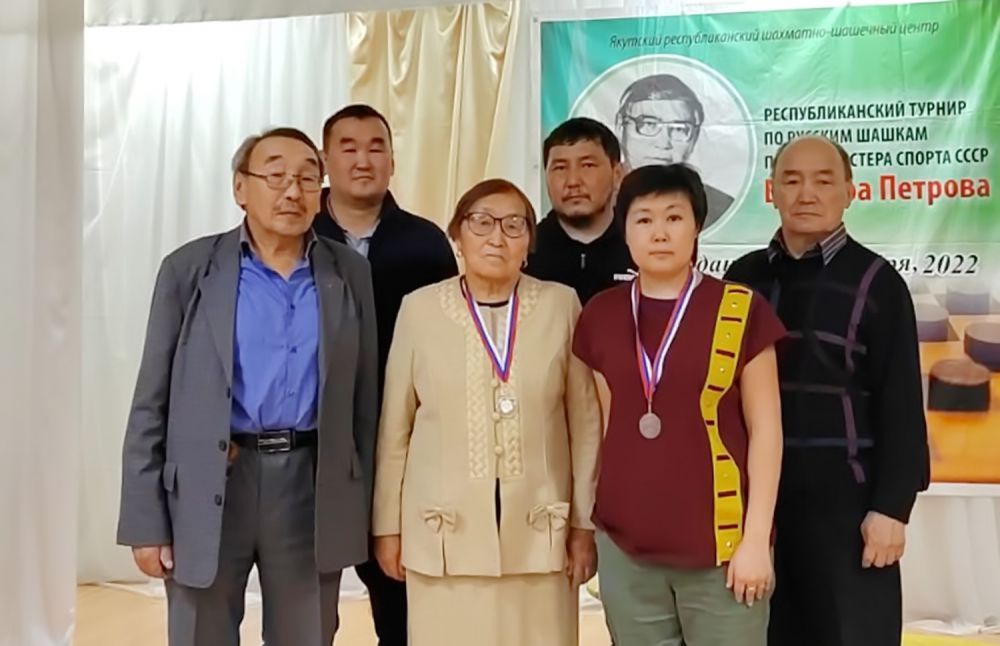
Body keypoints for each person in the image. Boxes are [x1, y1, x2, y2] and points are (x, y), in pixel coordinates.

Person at [116, 127, 378, 646]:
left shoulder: (348, 272)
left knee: (307, 633)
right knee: (201, 633)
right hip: (212, 479)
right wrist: (145, 521)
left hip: (310, 483)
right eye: (276, 176)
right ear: (240, 187)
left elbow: (365, 402)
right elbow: (151, 401)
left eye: (307, 178)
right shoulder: (189, 270)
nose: (292, 191)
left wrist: (366, 505)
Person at [372, 178, 603, 645]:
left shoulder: (561, 305)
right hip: (444, 535)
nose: (497, 236)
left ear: (528, 243)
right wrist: (387, 528)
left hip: (540, 534)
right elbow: (395, 428)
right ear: (457, 236)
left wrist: (583, 524)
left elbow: (585, 426)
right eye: (481, 222)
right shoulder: (419, 309)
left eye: (514, 225)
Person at [724, 135, 930, 646]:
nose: (806, 194)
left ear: (850, 192)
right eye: (791, 181)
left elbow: (902, 404)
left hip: (848, 508)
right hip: (758, 507)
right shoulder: (743, 279)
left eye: (823, 180)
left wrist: (892, 508)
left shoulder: (878, 282)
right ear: (771, 191)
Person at [573, 164, 785, 645]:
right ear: (624, 230)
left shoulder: (740, 308)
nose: (660, 233)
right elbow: (602, 429)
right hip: (626, 549)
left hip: (723, 549)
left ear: (697, 226)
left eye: (674, 217)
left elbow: (767, 431)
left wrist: (756, 539)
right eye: (644, 219)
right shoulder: (601, 314)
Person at [313, 104, 458, 645]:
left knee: (398, 592)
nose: (363, 160)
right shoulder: (298, 235)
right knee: (306, 602)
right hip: (314, 440)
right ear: (325, 160)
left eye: (376, 147)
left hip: (402, 441)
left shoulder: (426, 242)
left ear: (393, 161)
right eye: (348, 148)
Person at [526, 117, 634, 305]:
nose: (573, 181)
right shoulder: (525, 251)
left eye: (587, 165)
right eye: (560, 168)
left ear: (617, 175)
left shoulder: (640, 248)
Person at [615, 74, 734, 228]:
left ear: (694, 136)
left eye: (679, 129)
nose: (663, 143)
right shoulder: (600, 205)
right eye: (649, 124)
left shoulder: (721, 206)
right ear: (620, 126)